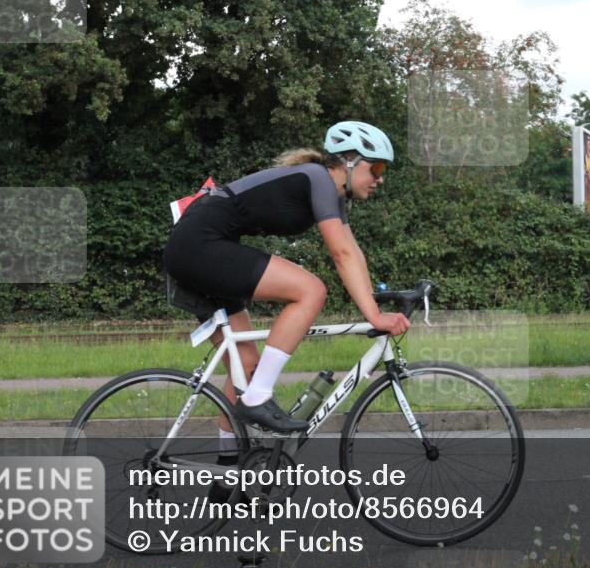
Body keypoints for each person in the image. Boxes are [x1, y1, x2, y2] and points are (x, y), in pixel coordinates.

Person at [163, 121, 410, 441]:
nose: (380, 178)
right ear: (349, 162)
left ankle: (227, 467)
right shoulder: (318, 178)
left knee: (247, 368)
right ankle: (257, 399)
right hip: (198, 245)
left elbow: (353, 253)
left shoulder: (331, 193)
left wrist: (375, 304)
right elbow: (341, 255)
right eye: (376, 168)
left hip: (200, 247)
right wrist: (374, 317)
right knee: (311, 290)